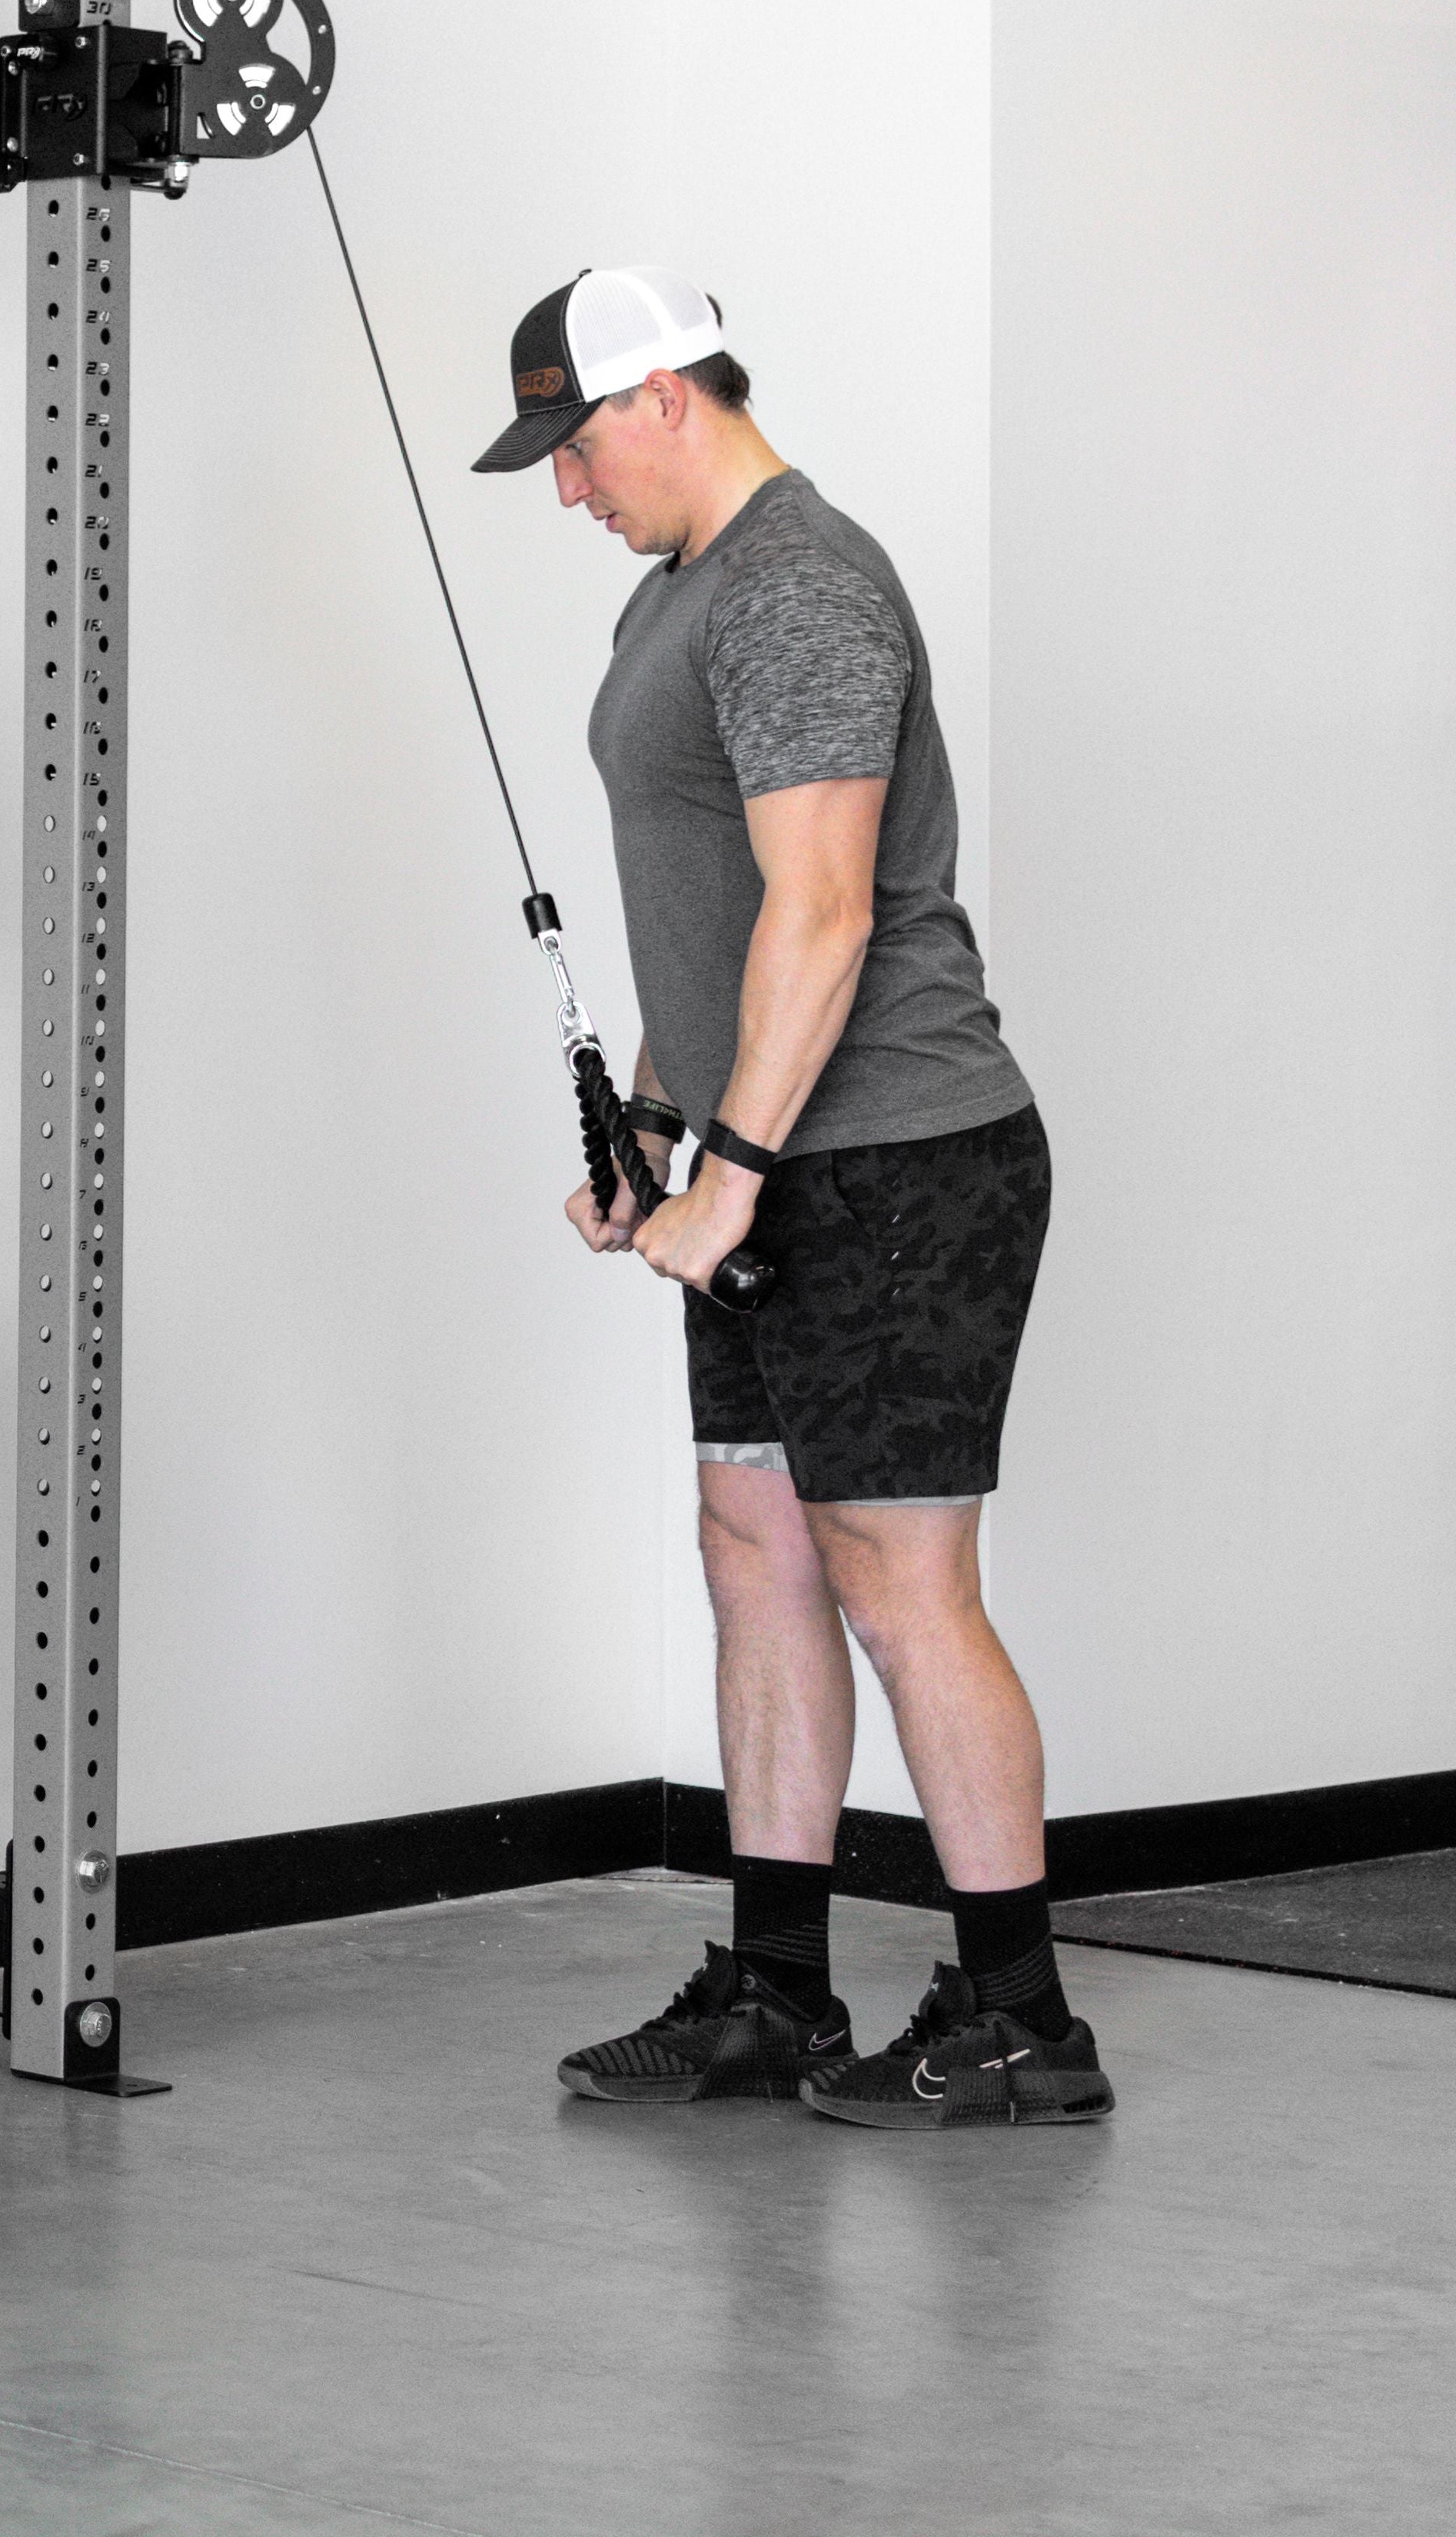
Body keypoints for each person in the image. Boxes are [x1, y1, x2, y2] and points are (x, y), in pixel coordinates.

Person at [470, 267, 1113, 2130]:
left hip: (899, 1155)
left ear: (664, 394)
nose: (566, 491)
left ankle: (1020, 2016)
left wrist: (731, 1173)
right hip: (767, 1157)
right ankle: (772, 1989)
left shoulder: (797, 584)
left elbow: (826, 912)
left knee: (894, 1576)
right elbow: (721, 919)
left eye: (575, 446)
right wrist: (659, 1135)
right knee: (751, 1549)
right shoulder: (677, 587)